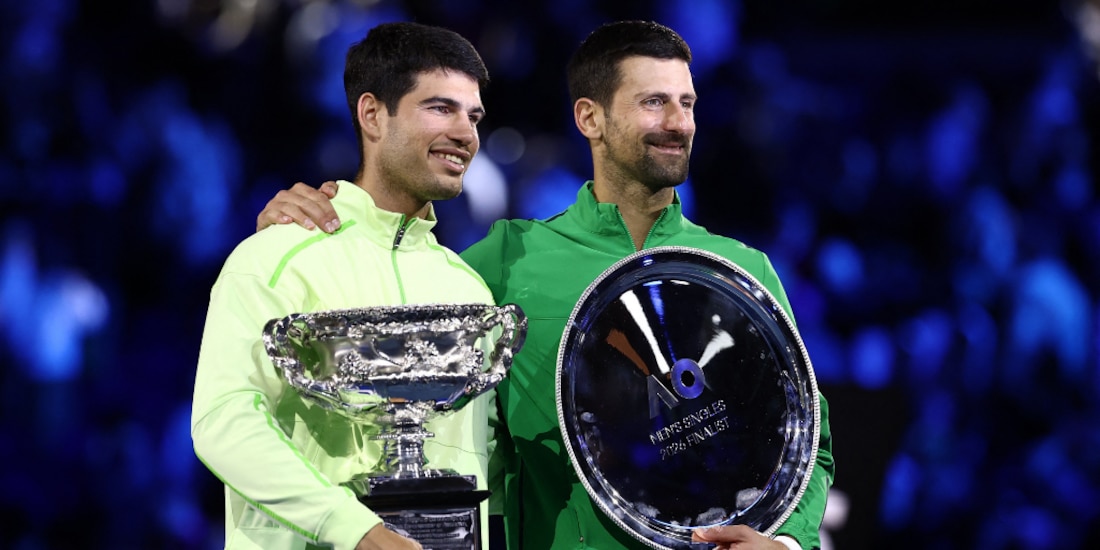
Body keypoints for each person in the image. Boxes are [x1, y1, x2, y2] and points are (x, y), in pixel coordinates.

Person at [259, 20, 835, 550]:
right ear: (590, 119)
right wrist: (325, 222)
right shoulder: (508, 259)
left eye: (687, 103)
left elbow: (809, 440)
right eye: (654, 102)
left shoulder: (740, 271)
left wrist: (787, 544)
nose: (678, 122)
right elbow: (390, 297)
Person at [191, 22, 497, 550]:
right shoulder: (276, 255)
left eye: (473, 116)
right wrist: (354, 530)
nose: (466, 133)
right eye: (440, 108)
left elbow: (482, 459)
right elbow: (224, 420)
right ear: (373, 115)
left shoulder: (468, 288)